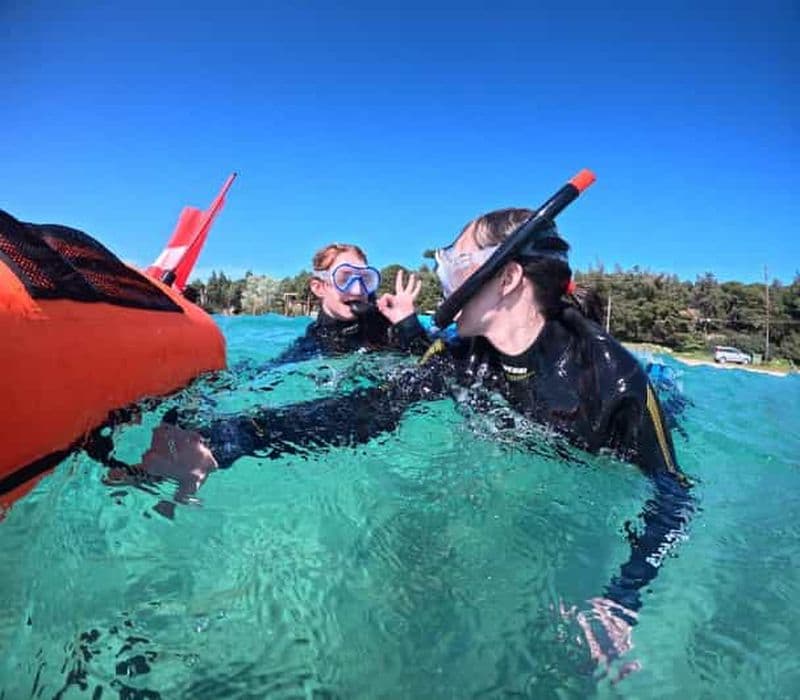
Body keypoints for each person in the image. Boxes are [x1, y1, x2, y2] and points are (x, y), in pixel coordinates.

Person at [107, 206, 693, 675]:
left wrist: (623, 596)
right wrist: (229, 440)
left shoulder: (614, 379)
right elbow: (367, 412)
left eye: (456, 259)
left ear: (508, 277)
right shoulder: (463, 358)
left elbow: (674, 497)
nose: (444, 272)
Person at [268, 242, 430, 365]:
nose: (357, 290)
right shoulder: (311, 345)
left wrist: (409, 325)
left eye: (366, 279)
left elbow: (440, 372)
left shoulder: (386, 328)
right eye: (344, 278)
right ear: (319, 287)